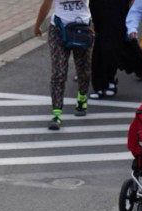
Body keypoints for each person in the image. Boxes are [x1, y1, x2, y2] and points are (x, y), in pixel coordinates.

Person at [35, 0, 94, 130]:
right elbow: (46, 4)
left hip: (82, 28)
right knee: (58, 72)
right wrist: (37, 25)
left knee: (83, 69)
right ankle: (56, 113)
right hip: (59, 29)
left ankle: (82, 98)